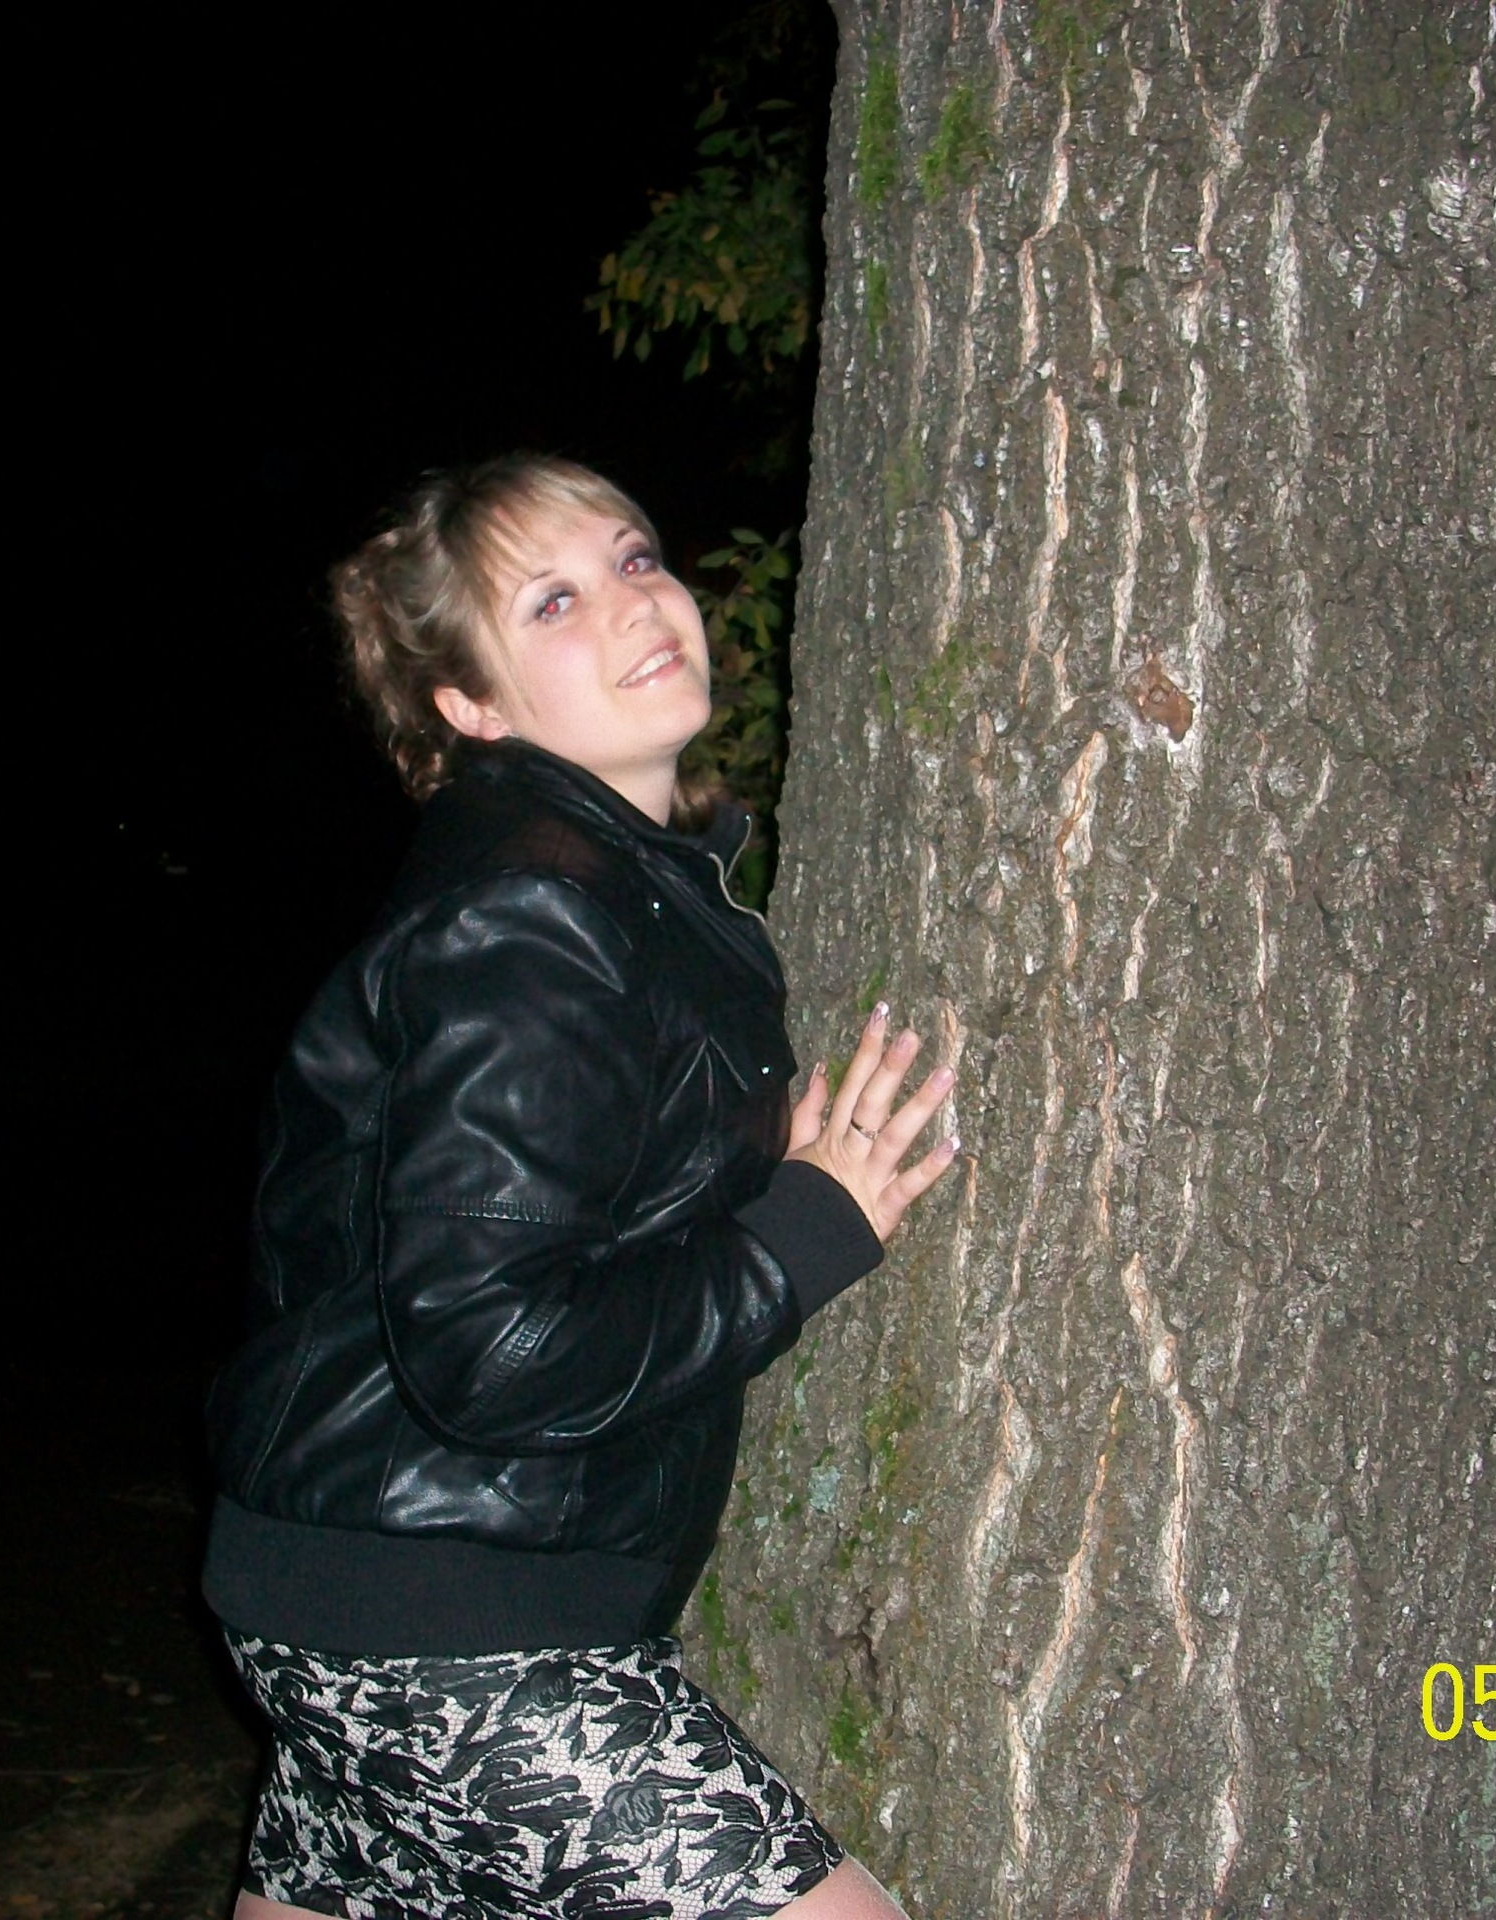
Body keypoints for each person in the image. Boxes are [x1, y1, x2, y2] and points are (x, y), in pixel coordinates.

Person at [202, 453, 959, 1919]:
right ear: (470, 707)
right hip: (446, 1626)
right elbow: (492, 1346)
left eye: (634, 557)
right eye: (551, 601)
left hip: (356, 1587)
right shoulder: (533, 910)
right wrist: (804, 1234)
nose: (633, 603)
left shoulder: (609, 889)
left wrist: (747, 1174)